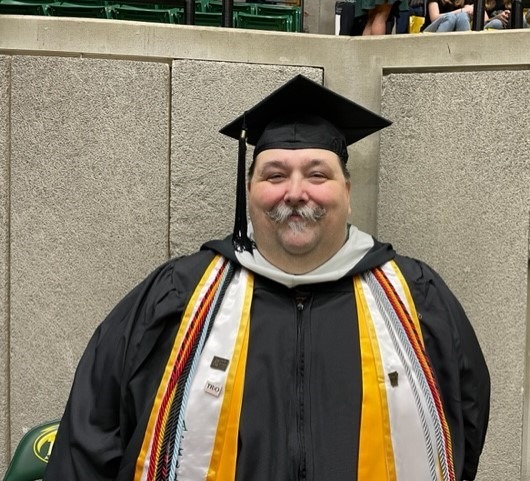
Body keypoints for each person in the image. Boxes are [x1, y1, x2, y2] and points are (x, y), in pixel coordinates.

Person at [44, 75, 490, 481]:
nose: (295, 192)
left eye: (317, 174)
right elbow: (92, 432)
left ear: (347, 193)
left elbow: (463, 425)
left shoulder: (414, 298)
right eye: (275, 175)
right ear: (251, 190)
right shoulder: (178, 296)